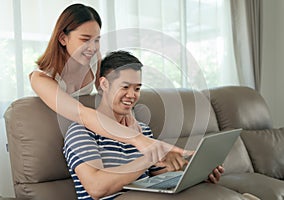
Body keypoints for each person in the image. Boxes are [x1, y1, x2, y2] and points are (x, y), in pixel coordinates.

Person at [29, 3, 183, 164]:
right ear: (63, 38)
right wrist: (137, 139)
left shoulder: (93, 60)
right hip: (55, 134)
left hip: (89, 129)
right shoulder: (41, 78)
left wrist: (129, 116)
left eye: (97, 40)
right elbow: (80, 113)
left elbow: (110, 91)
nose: (93, 48)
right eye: (85, 39)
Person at [63, 51, 224, 200]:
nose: (132, 95)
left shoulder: (143, 130)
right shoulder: (81, 130)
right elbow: (96, 188)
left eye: (137, 88)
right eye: (125, 87)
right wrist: (150, 155)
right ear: (104, 84)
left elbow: (154, 174)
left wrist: (195, 173)